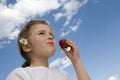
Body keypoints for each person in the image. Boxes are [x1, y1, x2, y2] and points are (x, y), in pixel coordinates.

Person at [6, 20, 90, 80]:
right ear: (27, 47)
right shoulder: (21, 74)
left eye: (51, 35)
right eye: (41, 33)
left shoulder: (64, 75)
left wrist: (76, 61)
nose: (50, 37)